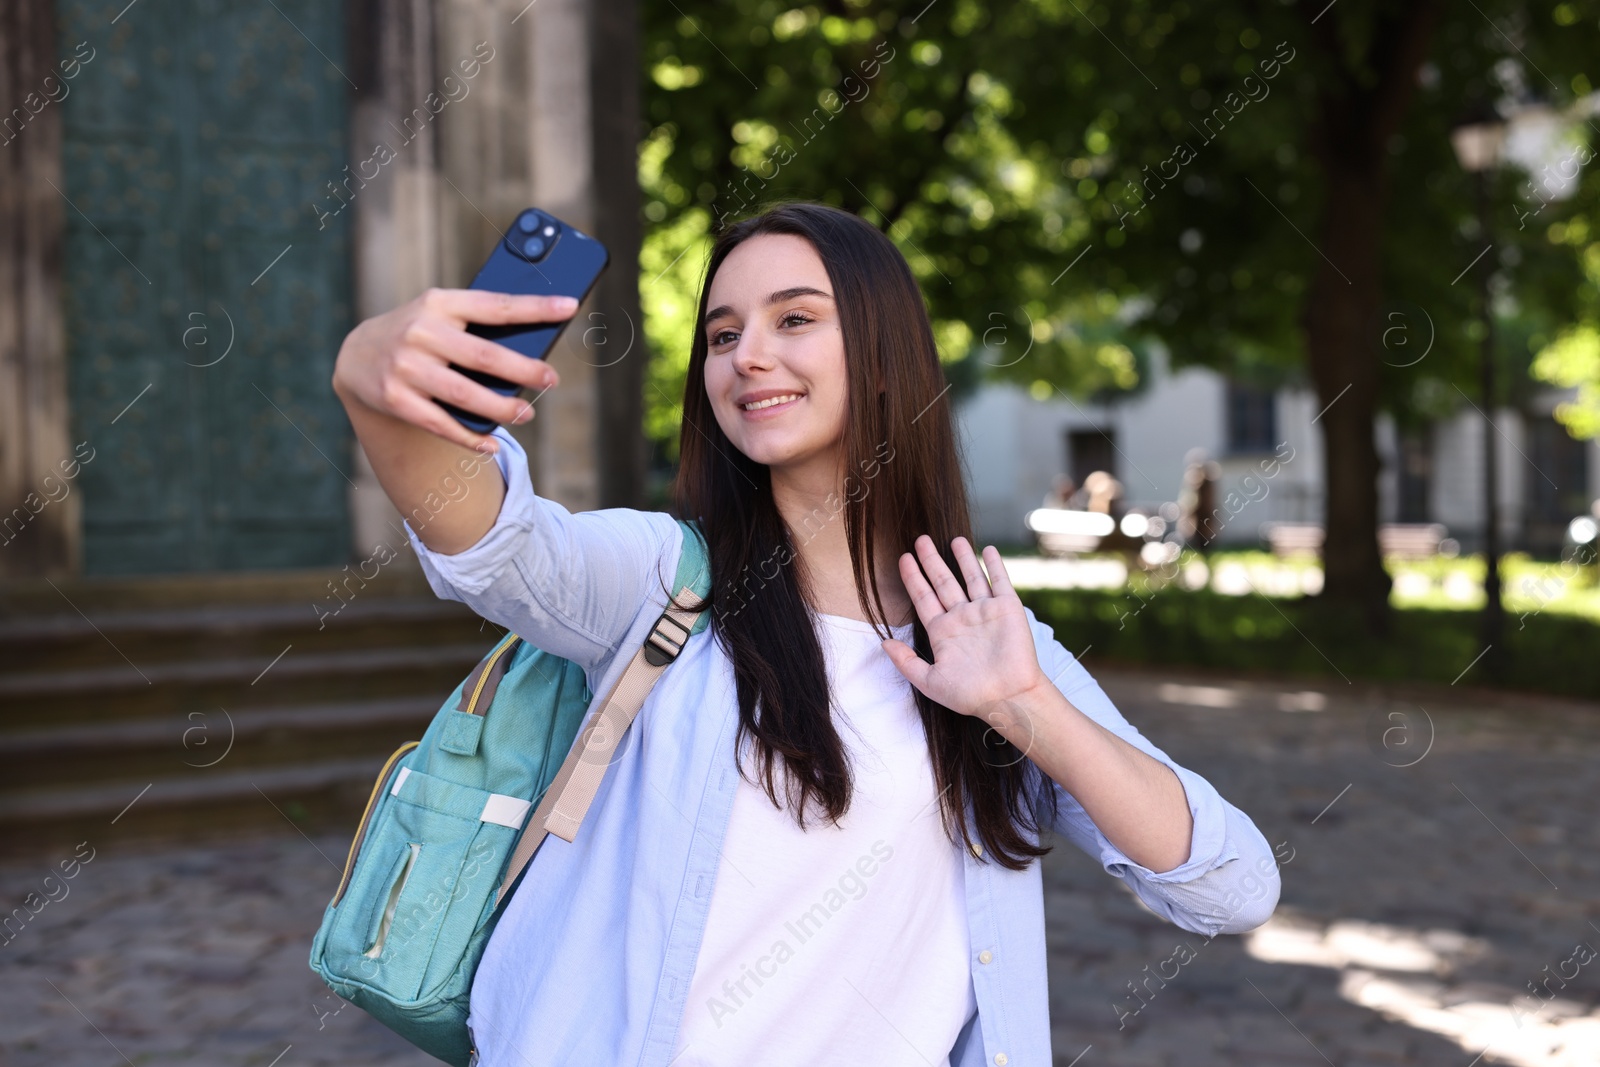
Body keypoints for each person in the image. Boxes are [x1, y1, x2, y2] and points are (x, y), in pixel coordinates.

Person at [331, 202, 1279, 1066]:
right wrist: (374, 383)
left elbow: (1231, 887)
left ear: (880, 349)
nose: (746, 354)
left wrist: (1026, 708)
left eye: (793, 319)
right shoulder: (664, 581)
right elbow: (499, 548)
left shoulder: (987, 640)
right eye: (723, 333)